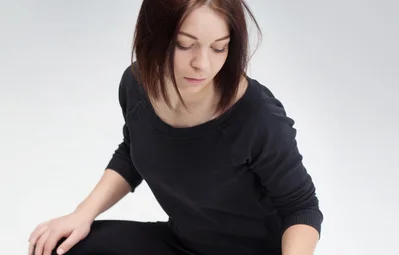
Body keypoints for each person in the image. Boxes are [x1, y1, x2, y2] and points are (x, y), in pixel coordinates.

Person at [27, 1, 323, 255]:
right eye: (185, 44)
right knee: (61, 247)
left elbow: (301, 207)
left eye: (219, 48)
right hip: (182, 245)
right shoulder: (136, 86)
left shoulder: (258, 116)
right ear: (154, 35)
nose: (202, 65)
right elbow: (133, 151)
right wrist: (82, 214)